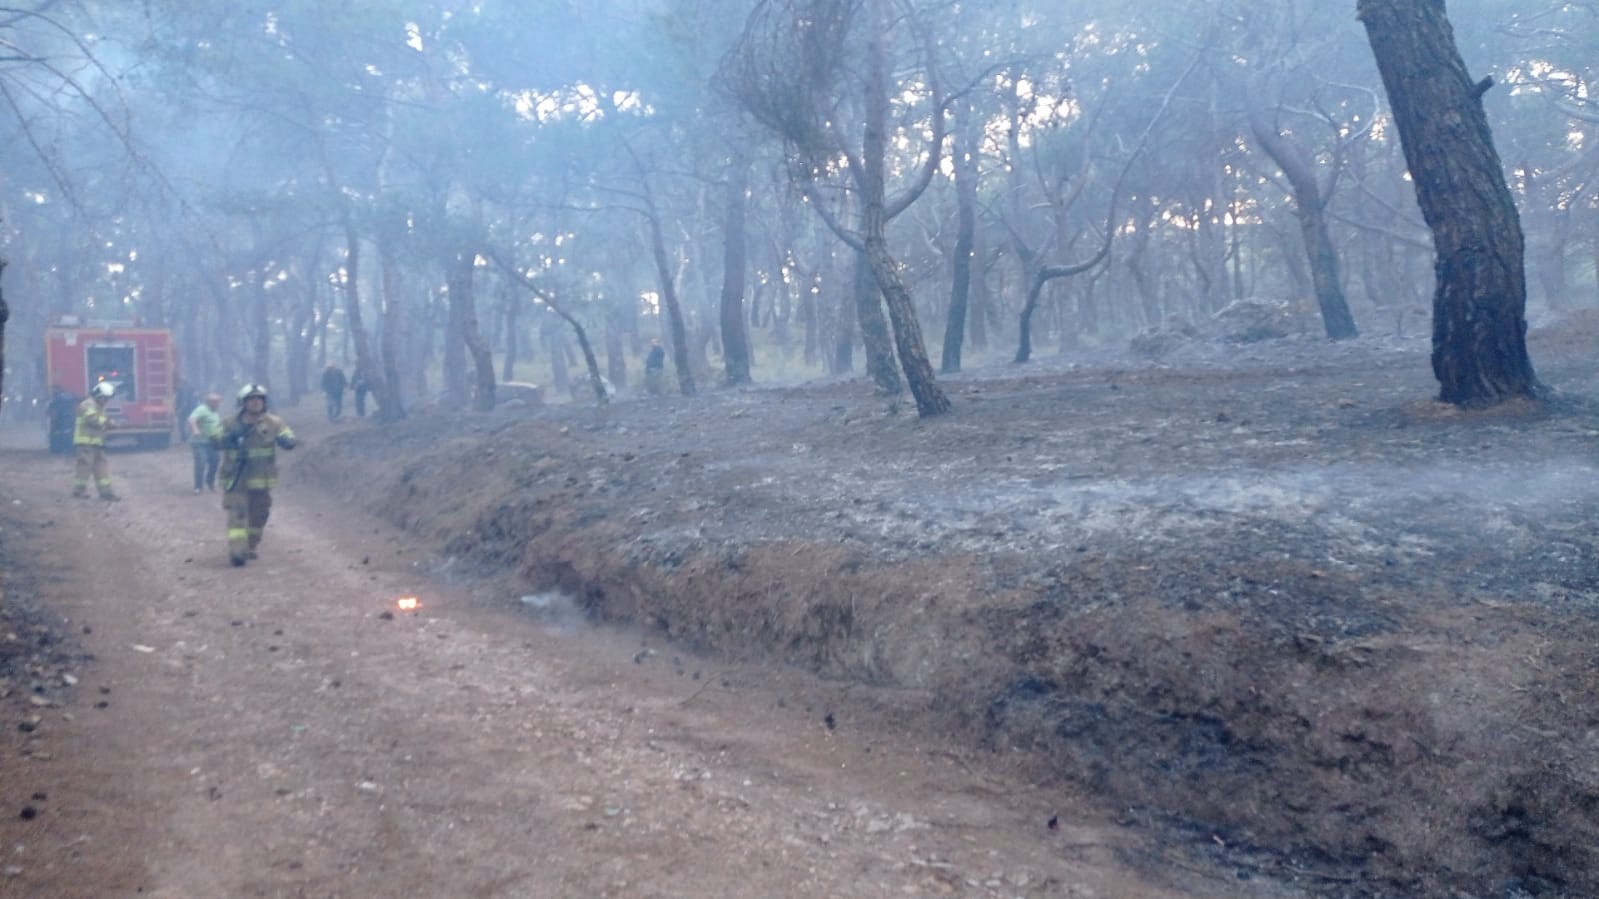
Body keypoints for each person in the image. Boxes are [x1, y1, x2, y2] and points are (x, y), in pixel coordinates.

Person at [216, 384, 297, 567]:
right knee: (237, 515)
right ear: (243, 403)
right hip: (235, 479)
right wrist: (226, 438)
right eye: (251, 399)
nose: (255, 403)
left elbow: (289, 436)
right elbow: (214, 440)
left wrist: (287, 440)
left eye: (259, 399)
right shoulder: (229, 423)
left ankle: (251, 544)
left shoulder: (274, 423)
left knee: (259, 515)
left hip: (261, 480)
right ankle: (237, 552)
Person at [71, 381, 118, 500]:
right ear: (100, 396)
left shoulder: (98, 406)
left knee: (101, 466)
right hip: (85, 443)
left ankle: (106, 492)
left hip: (96, 443)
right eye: (105, 398)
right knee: (85, 466)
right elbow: (92, 418)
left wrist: (107, 423)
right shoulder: (87, 404)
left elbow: (99, 419)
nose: (106, 401)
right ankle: (78, 491)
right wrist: (108, 423)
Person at [187, 392, 223, 493]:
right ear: (209, 402)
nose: (217, 404)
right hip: (199, 442)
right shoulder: (202, 409)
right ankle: (198, 486)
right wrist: (195, 429)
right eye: (215, 402)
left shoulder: (215, 412)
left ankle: (210, 481)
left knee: (215, 462)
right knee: (201, 463)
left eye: (218, 402)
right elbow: (191, 419)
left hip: (212, 442)